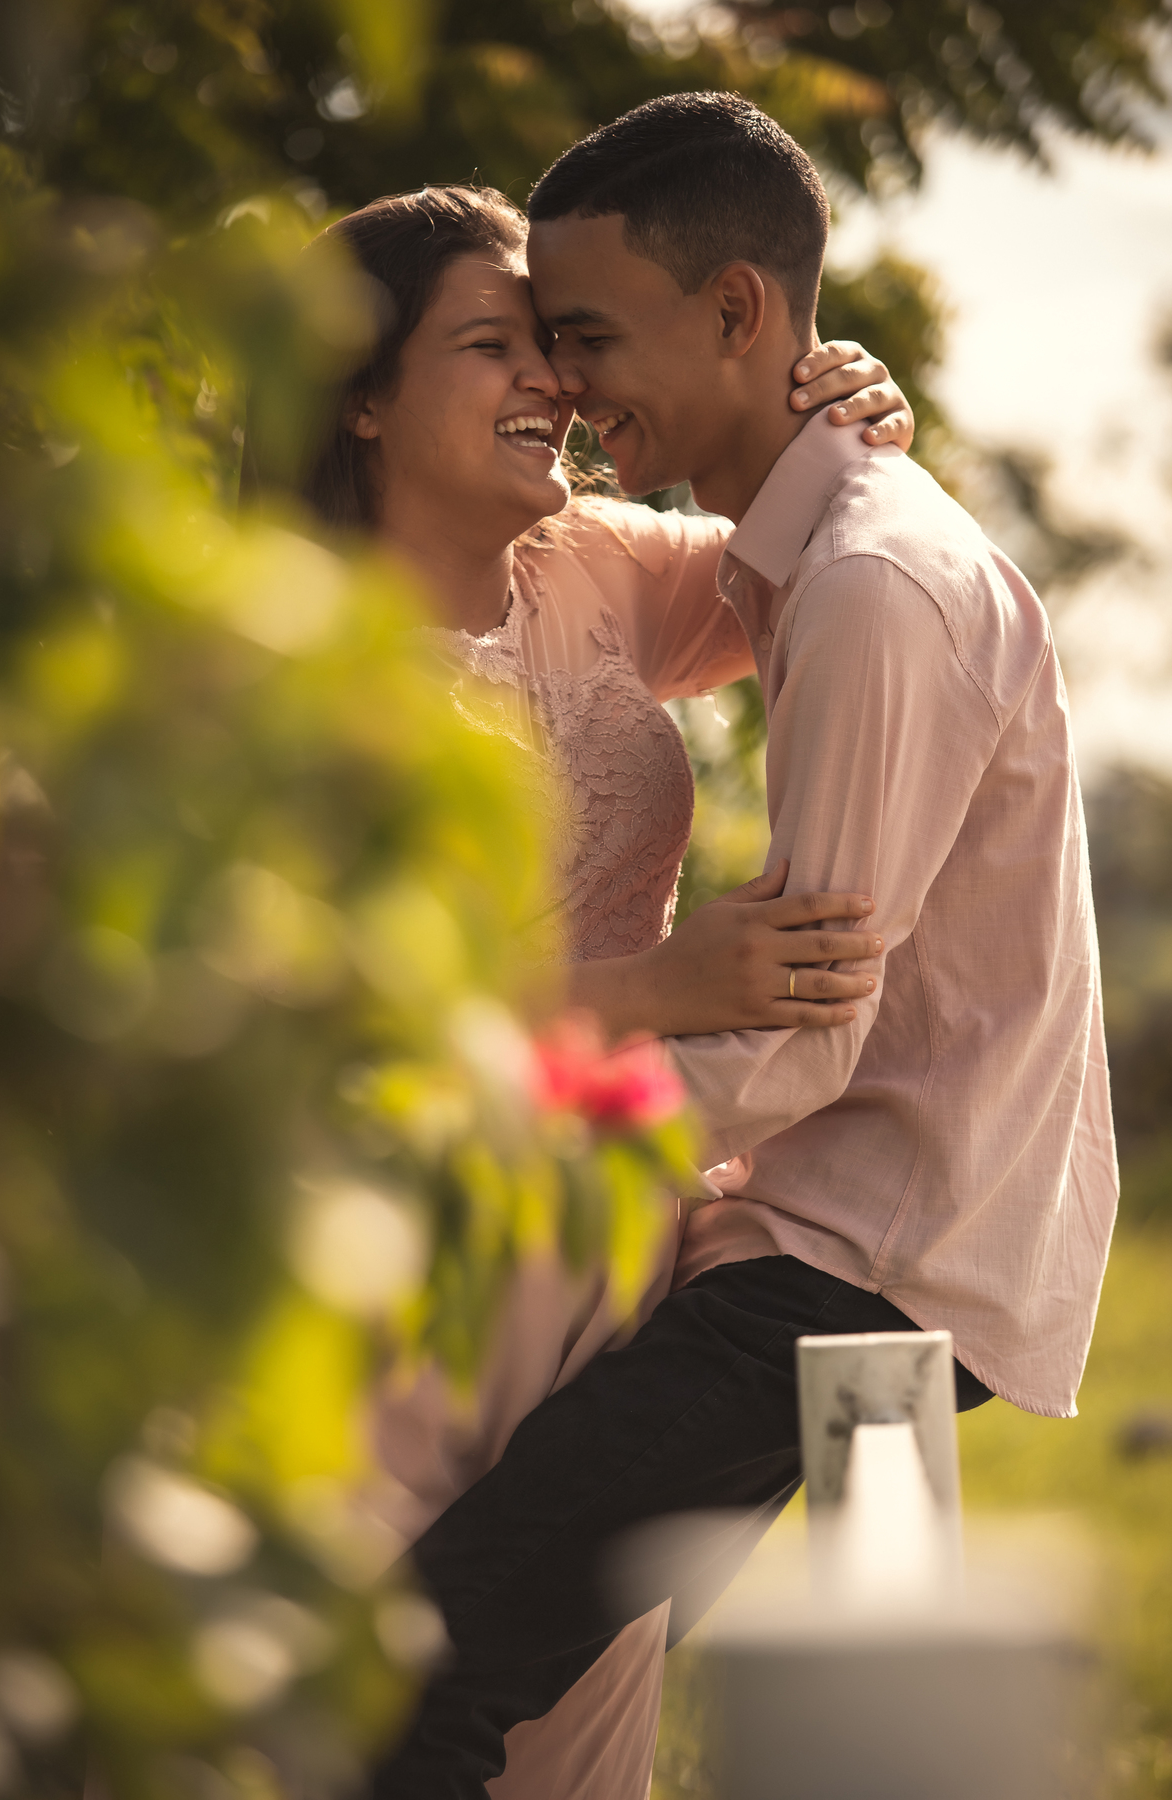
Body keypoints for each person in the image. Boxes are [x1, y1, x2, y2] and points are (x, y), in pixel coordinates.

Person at [372, 96, 1119, 1798]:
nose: (563, 382)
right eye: (529, 340)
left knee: (434, 1678)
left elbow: (805, 1030)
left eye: (585, 334)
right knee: (889, 1739)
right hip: (842, 1244)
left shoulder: (866, 581)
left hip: (854, 1268)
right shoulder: (808, 556)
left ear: (735, 313)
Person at [248, 185, 917, 1796]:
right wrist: (651, 988)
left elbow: (823, 541)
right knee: (345, 1708)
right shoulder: (274, 651)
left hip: (622, 1261)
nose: (551, 380)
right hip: (380, 1270)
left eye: (554, 343)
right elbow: (314, 1012)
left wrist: (847, 399)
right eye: (493, 345)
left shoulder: (599, 567)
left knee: (561, 1732)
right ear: (360, 391)